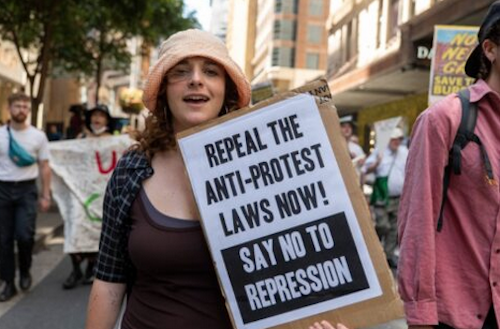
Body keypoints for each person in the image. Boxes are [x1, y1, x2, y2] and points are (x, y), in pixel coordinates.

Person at [84, 29, 348, 329]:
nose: (196, 79)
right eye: (180, 72)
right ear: (163, 91)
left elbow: (308, 271)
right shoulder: (132, 169)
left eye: (210, 71)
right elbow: (108, 280)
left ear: (226, 90)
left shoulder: (269, 168)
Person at [398, 2, 500, 328]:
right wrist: (420, 315)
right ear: (491, 49)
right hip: (456, 314)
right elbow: (417, 222)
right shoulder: (446, 119)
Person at [0, 92, 51, 301]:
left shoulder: (38, 136)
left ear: (29, 110)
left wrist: (45, 195)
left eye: (25, 107)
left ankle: (25, 270)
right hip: (2, 189)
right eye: (17, 106)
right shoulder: (1, 134)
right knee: (3, 240)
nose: (21, 110)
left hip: (27, 191)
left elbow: (45, 167)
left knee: (24, 236)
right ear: (9, 108)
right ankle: (8, 283)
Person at [62, 104, 113, 290]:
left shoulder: (114, 141)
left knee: (96, 230)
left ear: (107, 120)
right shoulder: (81, 138)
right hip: (80, 192)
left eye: (101, 116)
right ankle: (75, 269)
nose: (97, 119)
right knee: (75, 227)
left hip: (100, 193)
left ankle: (91, 267)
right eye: (94, 116)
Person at [364, 127, 408, 269]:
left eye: (399, 139)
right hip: (382, 197)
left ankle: (388, 256)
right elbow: (365, 169)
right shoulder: (379, 150)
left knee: (395, 228)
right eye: (394, 139)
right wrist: (376, 163)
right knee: (383, 225)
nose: (396, 142)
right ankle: (375, 250)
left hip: (398, 197)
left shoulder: (404, 152)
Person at [340, 115, 366, 180]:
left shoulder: (357, 148)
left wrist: (361, 163)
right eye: (343, 126)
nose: (347, 129)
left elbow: (363, 169)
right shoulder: (334, 147)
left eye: (349, 126)